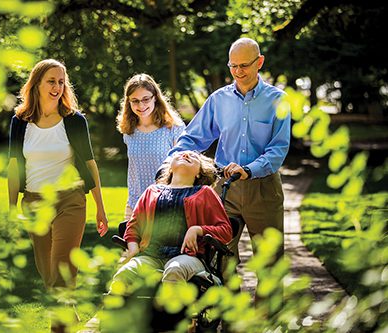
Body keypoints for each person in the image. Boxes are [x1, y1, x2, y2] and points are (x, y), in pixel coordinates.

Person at [168, 38, 291, 280]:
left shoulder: (278, 100)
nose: (238, 72)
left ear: (260, 62)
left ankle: (267, 318)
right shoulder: (218, 100)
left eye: (244, 65)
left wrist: (249, 169)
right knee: (220, 259)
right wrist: (172, 160)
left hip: (263, 189)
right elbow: (193, 138)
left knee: (270, 263)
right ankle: (230, 317)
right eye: (233, 66)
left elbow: (278, 148)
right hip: (224, 189)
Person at [7, 59, 109, 291]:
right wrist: (12, 209)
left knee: (62, 267)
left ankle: (59, 324)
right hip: (34, 203)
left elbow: (90, 163)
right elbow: (14, 167)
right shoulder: (20, 122)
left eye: (61, 82)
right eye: (51, 81)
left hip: (69, 201)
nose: (57, 87)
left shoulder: (74, 121)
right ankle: (67, 316)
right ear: (36, 85)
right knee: (47, 272)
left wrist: (100, 208)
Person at [108, 151, 232, 295]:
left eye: (193, 156)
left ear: (199, 173)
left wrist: (197, 230)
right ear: (170, 168)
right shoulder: (151, 191)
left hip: (188, 257)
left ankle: (169, 315)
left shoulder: (205, 193)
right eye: (180, 154)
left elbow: (226, 231)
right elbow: (133, 227)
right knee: (126, 272)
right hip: (151, 255)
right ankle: (107, 314)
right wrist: (133, 249)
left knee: (175, 269)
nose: (185, 155)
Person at [116, 73, 185, 220]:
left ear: (155, 97)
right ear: (128, 102)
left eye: (146, 99)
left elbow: (183, 168)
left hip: (167, 203)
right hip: (135, 204)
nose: (141, 105)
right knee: (132, 243)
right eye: (135, 101)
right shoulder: (129, 131)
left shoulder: (173, 127)